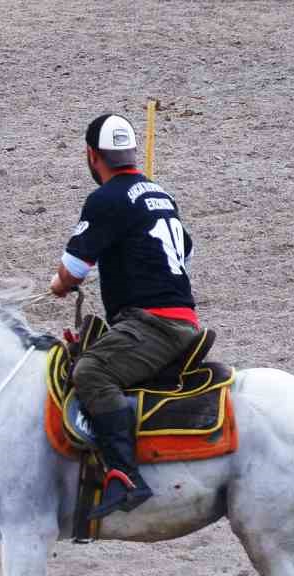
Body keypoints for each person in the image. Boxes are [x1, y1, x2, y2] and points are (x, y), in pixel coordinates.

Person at [49, 113, 203, 521]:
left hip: (152, 325)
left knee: (91, 371)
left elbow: (75, 269)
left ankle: (124, 475)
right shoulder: (161, 194)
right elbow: (185, 255)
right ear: (131, 152)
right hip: (181, 318)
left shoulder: (106, 198)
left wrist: (59, 284)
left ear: (91, 155)